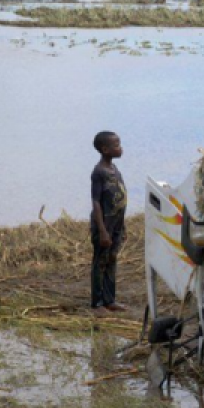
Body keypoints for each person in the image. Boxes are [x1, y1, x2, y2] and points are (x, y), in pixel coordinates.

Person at [90, 131, 128, 316]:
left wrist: (122, 226)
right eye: (116, 145)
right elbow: (96, 202)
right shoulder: (99, 172)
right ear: (105, 149)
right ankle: (97, 303)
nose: (120, 147)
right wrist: (102, 231)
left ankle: (110, 300)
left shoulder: (115, 170)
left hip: (116, 225)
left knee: (112, 260)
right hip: (104, 226)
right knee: (100, 262)